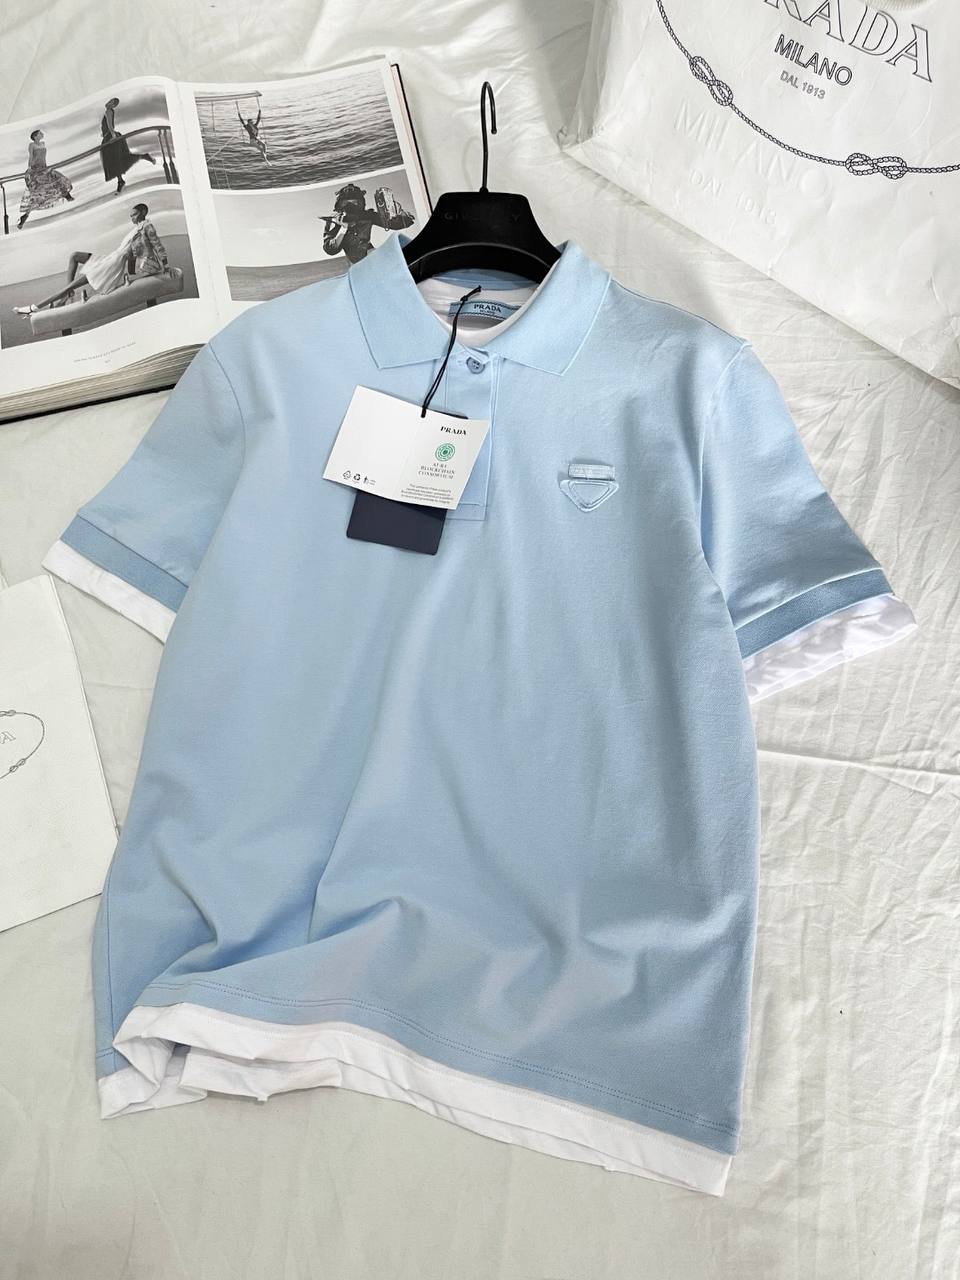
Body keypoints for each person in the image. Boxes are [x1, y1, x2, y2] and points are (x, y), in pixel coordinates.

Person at [12, 203, 170, 317]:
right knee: (74, 256)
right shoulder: (137, 228)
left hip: (111, 265)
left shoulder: (147, 227)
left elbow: (157, 245)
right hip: (110, 258)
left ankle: (33, 308)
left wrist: (165, 265)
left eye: (134, 215)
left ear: (143, 212)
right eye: (131, 216)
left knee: (69, 286)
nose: (132, 218)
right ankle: (67, 294)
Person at [320, 182, 415, 264]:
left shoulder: (367, 216)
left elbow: (397, 224)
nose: (350, 207)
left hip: (371, 255)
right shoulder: (334, 220)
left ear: (361, 204)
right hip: (356, 264)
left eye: (355, 203)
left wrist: (401, 214)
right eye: (346, 203)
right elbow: (330, 249)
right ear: (339, 205)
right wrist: (343, 229)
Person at [17, 129, 75, 229]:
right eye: (40, 133)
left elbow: (43, 158)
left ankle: (67, 196)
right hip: (36, 170)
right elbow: (31, 157)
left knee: (57, 179)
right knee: (37, 195)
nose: (42, 134)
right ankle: (25, 216)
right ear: (35, 136)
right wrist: (30, 169)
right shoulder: (32, 145)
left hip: (44, 168)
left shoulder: (43, 143)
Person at [100, 97, 156, 194]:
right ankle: (121, 180)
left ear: (113, 105)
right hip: (109, 136)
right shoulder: (109, 111)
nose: (109, 103)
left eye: (112, 103)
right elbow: (109, 125)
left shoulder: (108, 111)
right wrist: (105, 133)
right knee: (117, 159)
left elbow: (110, 126)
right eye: (110, 101)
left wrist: (112, 135)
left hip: (111, 137)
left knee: (115, 160)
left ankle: (121, 181)